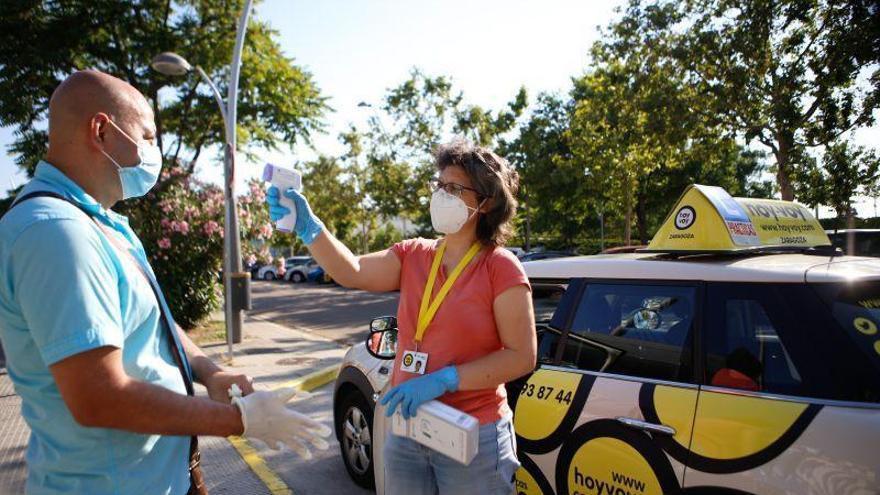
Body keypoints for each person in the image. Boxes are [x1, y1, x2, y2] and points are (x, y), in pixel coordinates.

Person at [0, 70, 329, 495]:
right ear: (101, 130)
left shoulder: (101, 224)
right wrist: (241, 421)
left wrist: (210, 371)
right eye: (148, 135)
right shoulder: (56, 233)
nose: (155, 150)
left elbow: (155, 322)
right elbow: (99, 397)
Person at [267, 139, 537, 494]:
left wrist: (446, 380)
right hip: (408, 429)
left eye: (454, 188)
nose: (442, 195)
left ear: (485, 202)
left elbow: (521, 356)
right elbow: (353, 270)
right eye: (439, 185)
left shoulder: (499, 266)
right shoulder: (415, 254)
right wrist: (311, 228)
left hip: (474, 435)